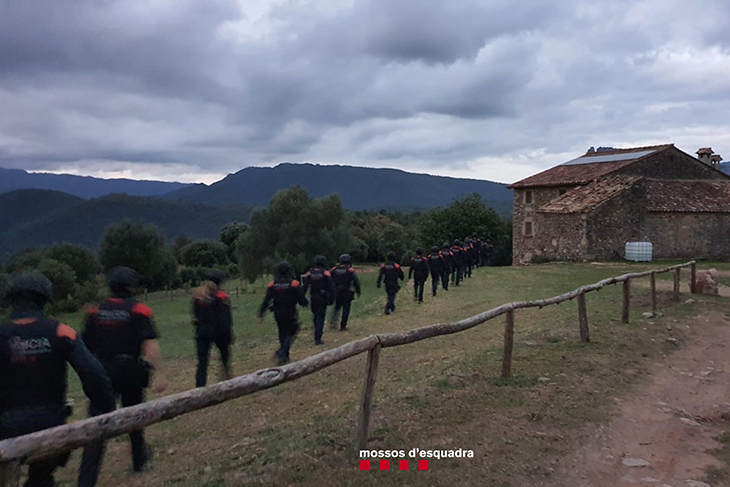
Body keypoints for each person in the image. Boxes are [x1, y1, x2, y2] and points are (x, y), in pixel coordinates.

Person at [0, 274, 115, 487]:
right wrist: (107, 408)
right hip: (49, 422)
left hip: (5, 423)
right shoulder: (61, 331)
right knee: (42, 477)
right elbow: (94, 375)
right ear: (44, 300)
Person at [79, 267, 168, 487]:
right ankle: (139, 461)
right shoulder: (139, 310)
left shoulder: (94, 311)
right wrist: (161, 373)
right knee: (134, 415)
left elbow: (84, 347)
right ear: (132, 287)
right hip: (130, 369)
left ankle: (87, 478)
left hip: (103, 371)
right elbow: (149, 344)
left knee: (97, 424)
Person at [258, 261, 308, 364]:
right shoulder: (294, 283)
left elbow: (266, 300)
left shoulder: (273, 284)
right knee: (292, 332)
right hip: (290, 311)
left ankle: (285, 357)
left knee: (282, 332)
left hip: (277, 312)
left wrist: (261, 314)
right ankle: (281, 352)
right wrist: (305, 303)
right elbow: (301, 298)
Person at [192, 269, 233, 388]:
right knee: (224, 356)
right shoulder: (222, 297)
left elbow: (196, 315)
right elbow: (226, 318)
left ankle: (200, 386)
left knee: (202, 362)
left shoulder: (198, 297)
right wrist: (228, 333)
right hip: (220, 332)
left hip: (202, 332)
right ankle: (226, 378)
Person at [302, 255, 335, 345]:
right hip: (323, 298)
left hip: (313, 298)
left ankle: (316, 330)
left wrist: (302, 299)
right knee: (320, 317)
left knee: (315, 316)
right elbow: (331, 288)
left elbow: (304, 287)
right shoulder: (326, 274)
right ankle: (318, 338)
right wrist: (332, 299)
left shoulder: (309, 273)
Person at [329, 254, 361, 331]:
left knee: (337, 307)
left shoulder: (334, 269)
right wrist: (358, 290)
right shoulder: (350, 270)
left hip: (337, 291)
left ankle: (333, 321)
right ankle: (343, 325)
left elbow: (328, 278)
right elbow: (356, 281)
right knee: (346, 308)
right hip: (347, 291)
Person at [377, 251, 404, 315]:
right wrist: (401, 278)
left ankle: (392, 307)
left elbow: (380, 275)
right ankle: (387, 308)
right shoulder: (396, 265)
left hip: (386, 282)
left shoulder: (384, 265)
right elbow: (401, 274)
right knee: (392, 295)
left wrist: (378, 283)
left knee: (389, 295)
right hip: (394, 282)